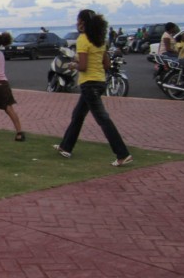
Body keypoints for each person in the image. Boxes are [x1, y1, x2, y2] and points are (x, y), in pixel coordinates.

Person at [54, 9, 132, 167]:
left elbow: (82, 66)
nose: (77, 23)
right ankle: (66, 146)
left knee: (102, 118)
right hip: (99, 81)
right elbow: (106, 64)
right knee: (78, 115)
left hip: (89, 84)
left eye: (78, 20)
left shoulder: (83, 39)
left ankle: (122, 153)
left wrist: (73, 64)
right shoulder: (100, 40)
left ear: (82, 23)